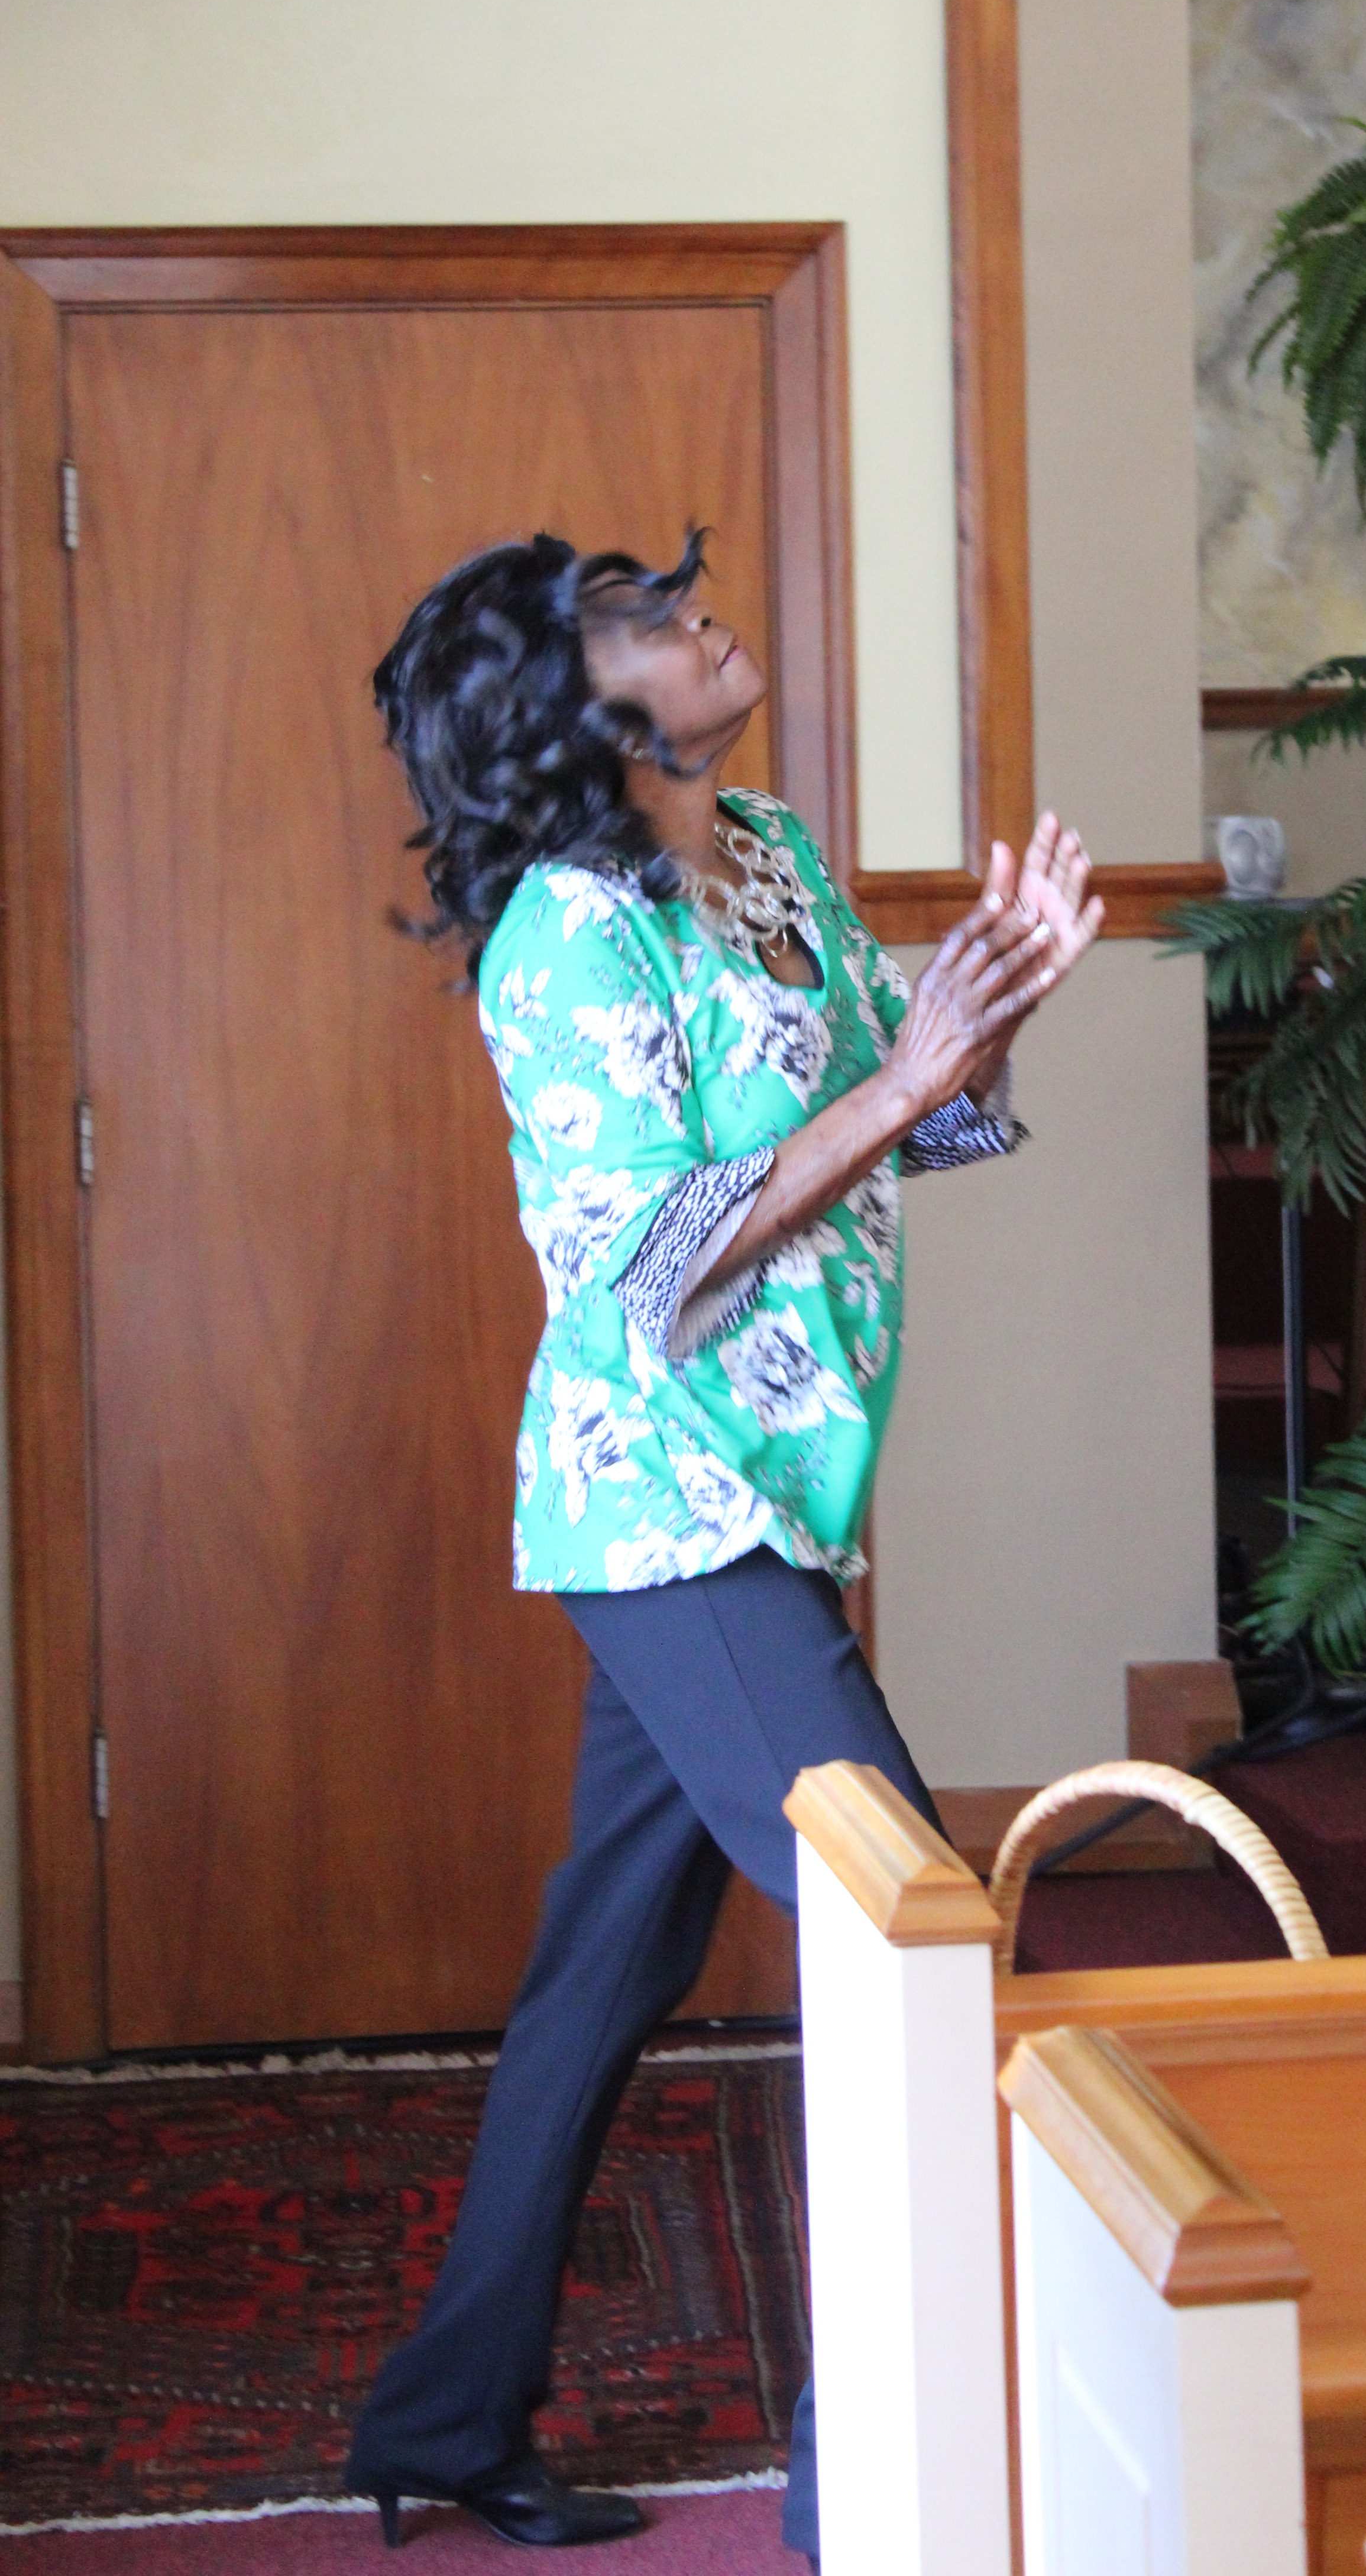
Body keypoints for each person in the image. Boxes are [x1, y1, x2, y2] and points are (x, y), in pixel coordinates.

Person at [345, 529, 1103, 2556]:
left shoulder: (763, 855)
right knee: (924, 1949)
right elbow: (655, 1262)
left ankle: (444, 2419)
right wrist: (912, 1074)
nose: (699, 617)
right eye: (643, 621)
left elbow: (906, 1125)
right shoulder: (566, 936)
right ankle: (876, 2489)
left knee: (609, 1966)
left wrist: (986, 1020)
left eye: (673, 595)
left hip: (774, 1491)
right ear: (586, 711)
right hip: (666, 1506)